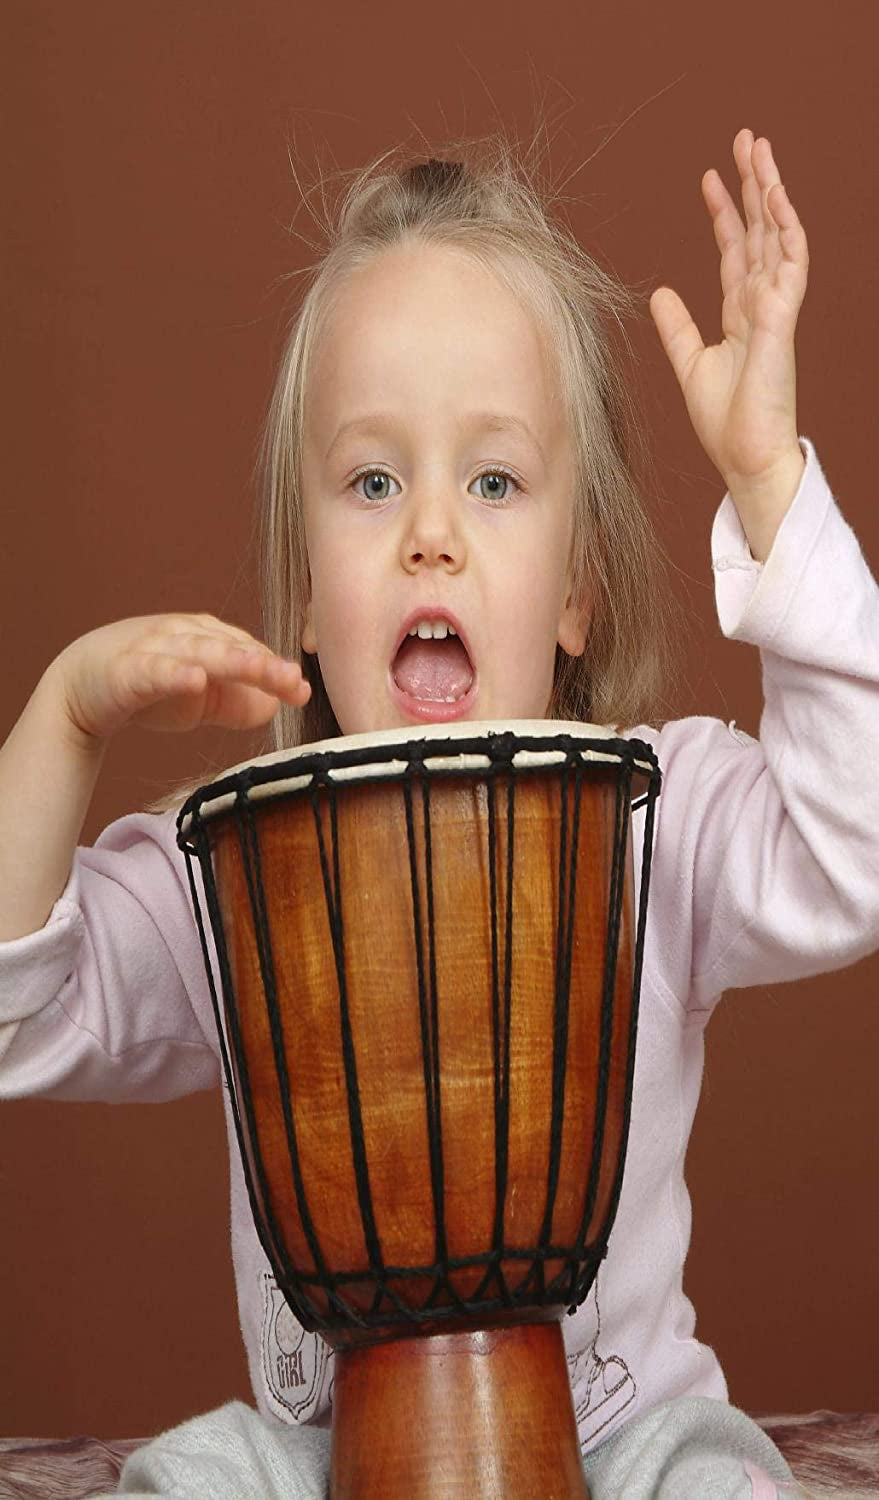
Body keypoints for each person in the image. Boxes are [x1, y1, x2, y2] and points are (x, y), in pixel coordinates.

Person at [1, 123, 875, 1500]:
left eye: (494, 480)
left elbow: (858, 848)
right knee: (198, 1477)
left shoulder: (655, 820)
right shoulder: (233, 872)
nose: (432, 533)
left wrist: (767, 482)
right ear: (301, 584)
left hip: (621, 1439)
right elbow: (18, 1014)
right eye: (370, 481)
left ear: (579, 591)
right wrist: (65, 717)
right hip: (320, 1455)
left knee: (717, 1477)